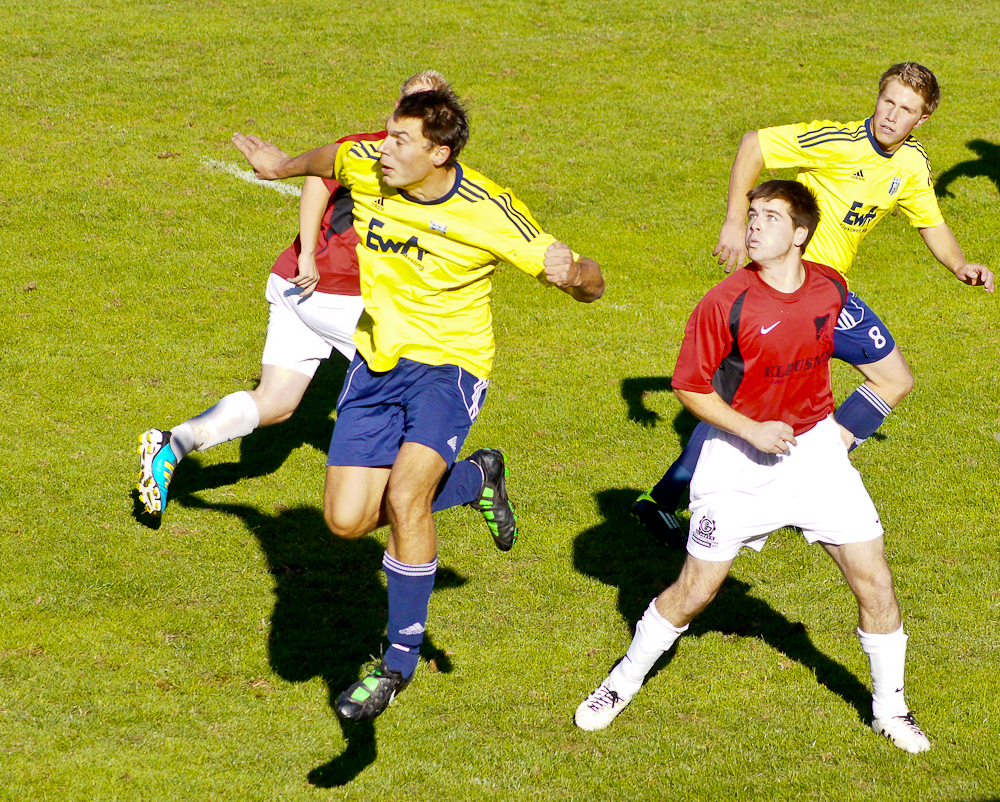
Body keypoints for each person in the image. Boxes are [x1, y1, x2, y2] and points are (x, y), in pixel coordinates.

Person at [236, 87, 605, 722]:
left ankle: (397, 660)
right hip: (376, 362)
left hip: (449, 367)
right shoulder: (367, 165)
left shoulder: (490, 210)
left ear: (438, 153)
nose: (383, 148)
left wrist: (574, 276)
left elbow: (592, 282)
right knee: (346, 522)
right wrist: (280, 166)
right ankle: (476, 477)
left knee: (406, 495)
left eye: (399, 140)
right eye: (387, 133)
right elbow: (330, 158)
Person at [576, 180, 930, 754]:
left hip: (815, 458)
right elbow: (689, 386)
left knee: (876, 580)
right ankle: (621, 682)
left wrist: (835, 438)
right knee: (695, 591)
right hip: (737, 462)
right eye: (753, 214)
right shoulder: (725, 302)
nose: (755, 225)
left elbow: (891, 374)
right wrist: (752, 430)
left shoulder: (832, 289)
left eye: (771, 217)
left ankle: (891, 710)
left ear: (800, 234)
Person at [634, 63, 994, 546]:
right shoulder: (837, 141)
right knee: (762, 399)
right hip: (788, 287)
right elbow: (754, 145)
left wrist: (960, 265)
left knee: (885, 380)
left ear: (922, 119)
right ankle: (784, 478)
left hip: (830, 292)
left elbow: (931, 221)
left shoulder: (911, 163)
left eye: (906, 109)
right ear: (877, 98)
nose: (892, 115)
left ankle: (785, 472)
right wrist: (735, 221)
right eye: (887, 101)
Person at [137, 71, 451, 517]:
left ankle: (171, 444)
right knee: (412, 384)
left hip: (296, 286)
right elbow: (317, 180)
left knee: (277, 402)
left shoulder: (421, 169)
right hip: (333, 292)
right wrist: (307, 252)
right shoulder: (367, 152)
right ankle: (455, 481)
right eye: (408, 109)